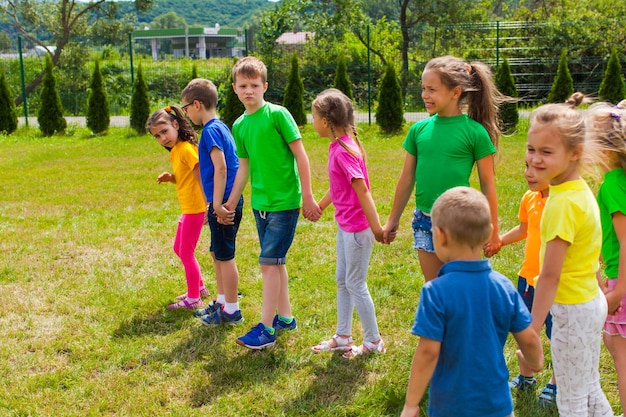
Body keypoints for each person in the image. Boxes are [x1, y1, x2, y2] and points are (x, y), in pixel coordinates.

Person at [400, 186, 543, 417]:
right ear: (488, 233)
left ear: (440, 235)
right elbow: (529, 338)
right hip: (497, 405)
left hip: (452, 406)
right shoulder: (504, 286)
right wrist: (535, 362)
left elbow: (428, 352)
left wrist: (411, 403)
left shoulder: (435, 291)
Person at [520, 93, 614, 416]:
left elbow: (550, 274)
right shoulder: (578, 189)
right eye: (531, 149)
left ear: (574, 154)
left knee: (571, 401)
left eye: (546, 152)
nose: (535, 159)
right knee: (588, 386)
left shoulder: (560, 204)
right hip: (589, 304)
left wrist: (532, 327)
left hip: (573, 313)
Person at [221, 56, 322, 350]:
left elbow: (301, 156)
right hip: (259, 204)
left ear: (264, 86)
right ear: (235, 89)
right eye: (243, 85)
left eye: (254, 85)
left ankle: (266, 328)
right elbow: (244, 167)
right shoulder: (239, 125)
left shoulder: (278, 115)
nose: (249, 90)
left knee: (267, 264)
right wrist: (230, 201)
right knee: (275, 264)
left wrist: (307, 195)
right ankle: (286, 319)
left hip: (284, 203)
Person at [382, 55, 503, 282]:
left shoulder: (475, 133)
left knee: (462, 289)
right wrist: (392, 220)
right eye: (423, 88)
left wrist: (494, 230)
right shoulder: (418, 130)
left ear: (455, 92)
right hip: (425, 222)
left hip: (461, 222)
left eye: (432, 89)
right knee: (436, 289)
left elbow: (488, 184)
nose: (425, 95)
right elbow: (407, 179)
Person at [308, 88, 385, 359]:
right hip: (346, 226)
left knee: (355, 283)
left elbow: (362, 190)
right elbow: (338, 186)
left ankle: (374, 341)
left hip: (357, 230)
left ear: (326, 121)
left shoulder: (344, 151)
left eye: (314, 116)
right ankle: (343, 335)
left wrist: (376, 229)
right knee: (343, 280)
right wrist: (320, 205)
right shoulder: (337, 146)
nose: (312, 120)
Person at [179, 78, 244, 325]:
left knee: (225, 255)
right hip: (221, 201)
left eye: (185, 108)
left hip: (224, 203)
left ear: (197, 104)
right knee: (217, 252)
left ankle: (232, 311)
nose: (185, 113)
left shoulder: (211, 131)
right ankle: (221, 301)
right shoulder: (220, 127)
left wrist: (217, 204)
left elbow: (222, 168)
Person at [499, 163, 556, 403]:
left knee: (557, 336)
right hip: (527, 278)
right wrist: (500, 241)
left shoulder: (561, 203)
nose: (528, 173)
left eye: (538, 168)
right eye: (526, 166)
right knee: (523, 330)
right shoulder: (529, 197)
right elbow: (524, 229)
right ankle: (527, 376)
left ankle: (556, 383)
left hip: (554, 283)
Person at [146, 106, 209, 310]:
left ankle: (193, 299)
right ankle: (199, 288)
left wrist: (208, 202)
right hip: (188, 208)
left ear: (175, 124)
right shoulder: (176, 151)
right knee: (179, 249)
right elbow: (186, 177)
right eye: (157, 136)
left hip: (196, 208)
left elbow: (200, 173)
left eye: (164, 131)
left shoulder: (186, 148)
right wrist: (172, 178)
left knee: (186, 252)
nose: (162, 138)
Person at [586, 100, 626, 414]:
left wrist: (618, 290)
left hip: (620, 280)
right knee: (614, 344)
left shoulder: (612, 185)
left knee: (620, 352)